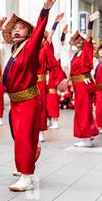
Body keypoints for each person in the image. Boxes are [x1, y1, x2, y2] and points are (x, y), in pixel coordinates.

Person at [1, 0, 57, 192]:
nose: (16, 30)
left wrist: (45, 11)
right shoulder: (15, 50)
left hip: (27, 101)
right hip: (16, 102)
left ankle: (26, 176)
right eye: (14, 28)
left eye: (21, 27)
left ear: (29, 32)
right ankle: (28, 164)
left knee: (24, 137)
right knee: (20, 137)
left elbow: (40, 30)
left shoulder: (30, 47)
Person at [69, 11, 101, 147]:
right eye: (76, 40)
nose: (78, 41)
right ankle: (90, 133)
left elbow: (88, 40)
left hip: (83, 84)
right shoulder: (76, 54)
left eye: (80, 39)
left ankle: (86, 138)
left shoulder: (86, 50)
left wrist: (89, 24)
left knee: (83, 111)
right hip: (79, 85)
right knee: (83, 111)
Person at [37, 13, 65, 142]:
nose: (42, 40)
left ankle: (41, 131)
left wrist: (54, 24)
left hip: (41, 82)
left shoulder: (44, 49)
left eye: (43, 38)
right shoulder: (30, 49)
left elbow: (50, 37)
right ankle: (34, 130)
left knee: (41, 105)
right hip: (30, 82)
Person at [46, 25, 68, 130]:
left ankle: (55, 121)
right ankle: (49, 120)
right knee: (46, 105)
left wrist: (57, 84)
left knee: (53, 104)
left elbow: (62, 47)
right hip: (45, 86)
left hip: (52, 87)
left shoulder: (55, 60)